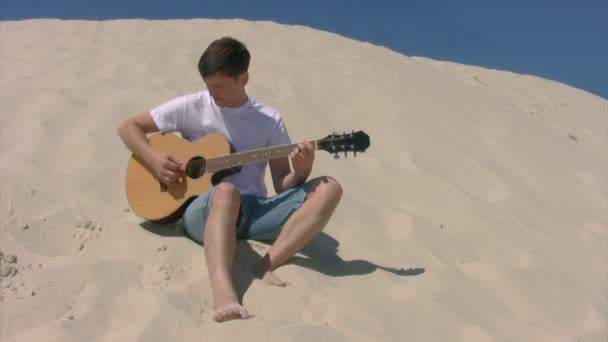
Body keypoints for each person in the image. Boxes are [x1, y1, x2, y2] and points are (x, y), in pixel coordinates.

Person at [117, 37, 342, 322]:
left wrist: (301, 170)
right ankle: (223, 291)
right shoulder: (192, 105)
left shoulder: (269, 120)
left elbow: (282, 184)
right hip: (204, 210)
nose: (212, 93)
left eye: (219, 86)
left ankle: (267, 264)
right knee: (226, 190)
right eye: (208, 84)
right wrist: (153, 159)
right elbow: (128, 128)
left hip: (255, 211)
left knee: (329, 188)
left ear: (243, 78)